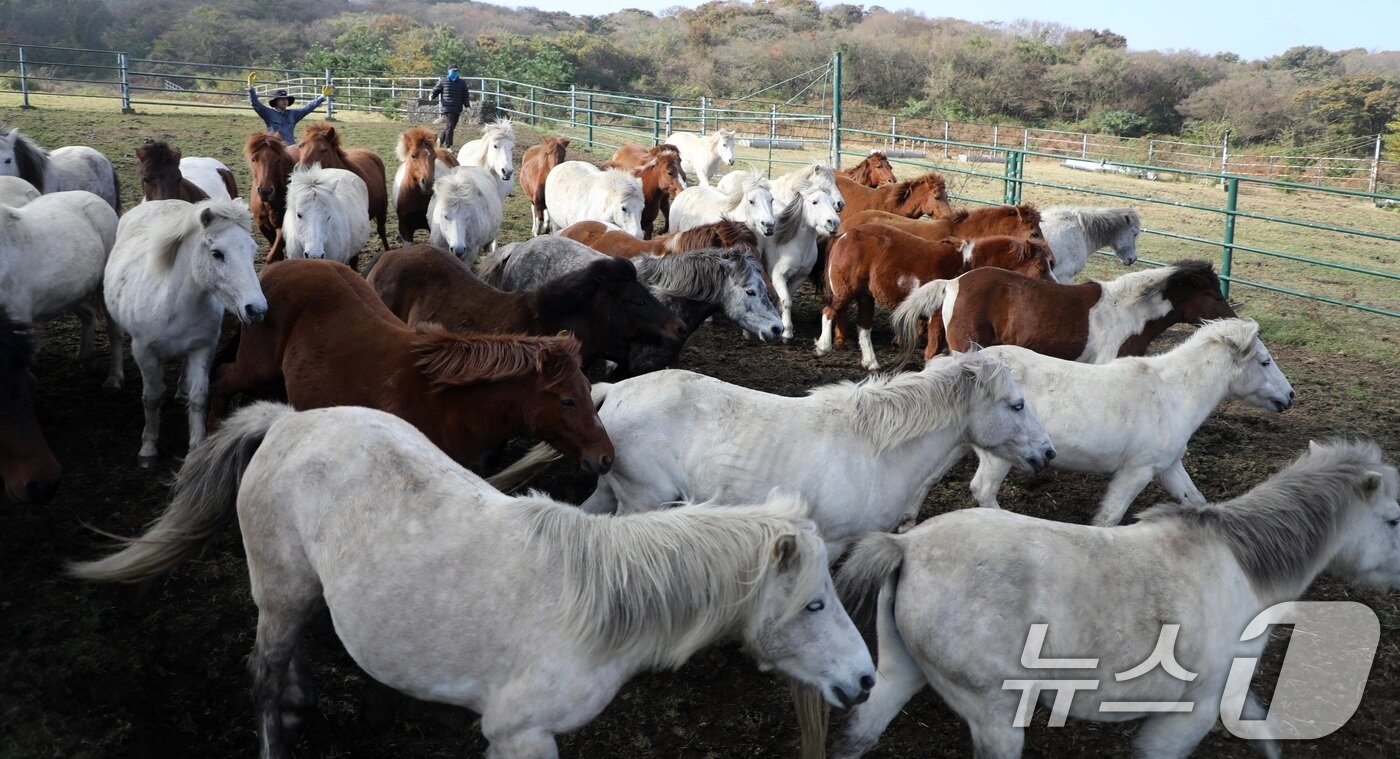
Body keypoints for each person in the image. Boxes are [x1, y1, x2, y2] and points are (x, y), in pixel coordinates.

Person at [247, 73, 328, 146]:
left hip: (291, 147)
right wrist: (251, 89)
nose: (284, 101)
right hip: (275, 148)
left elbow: (307, 108)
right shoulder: (268, 113)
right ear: (276, 102)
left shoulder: (293, 114)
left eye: (286, 99)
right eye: (281, 99)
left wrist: (322, 97)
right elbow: (256, 104)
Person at [429, 64, 471, 149]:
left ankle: (440, 140)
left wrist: (467, 105)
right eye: (453, 71)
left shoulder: (462, 83)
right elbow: (436, 89)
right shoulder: (443, 81)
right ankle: (449, 146)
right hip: (447, 107)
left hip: (457, 107)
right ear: (449, 71)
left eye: (456, 71)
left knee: (450, 126)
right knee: (450, 126)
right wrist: (432, 95)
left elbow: (465, 95)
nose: (455, 73)